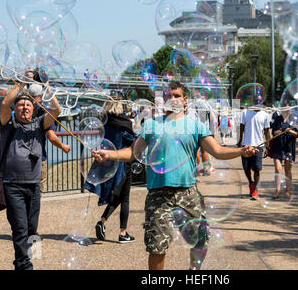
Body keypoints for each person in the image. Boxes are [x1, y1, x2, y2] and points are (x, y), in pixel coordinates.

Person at [92, 81, 258, 270]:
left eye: (177, 95)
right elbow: (132, 153)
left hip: (188, 192)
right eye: (169, 96)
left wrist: (241, 151)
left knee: (201, 239)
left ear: (185, 100)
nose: (173, 99)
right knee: (157, 247)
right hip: (158, 195)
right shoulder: (152, 125)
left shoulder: (196, 126)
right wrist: (110, 154)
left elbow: (218, 151)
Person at [0, 80, 61, 270]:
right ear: (15, 109)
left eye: (28, 104)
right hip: (13, 185)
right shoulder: (8, 124)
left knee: (32, 228)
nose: (24, 107)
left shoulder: (39, 124)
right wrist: (22, 84)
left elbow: (56, 110)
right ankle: (24, 266)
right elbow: (4, 104)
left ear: (34, 108)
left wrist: (46, 89)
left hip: (33, 185)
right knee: (20, 228)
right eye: (20, 105)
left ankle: (21, 260)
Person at [84, 100, 136, 244]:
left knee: (118, 196)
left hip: (108, 163)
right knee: (124, 198)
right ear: (120, 108)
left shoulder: (105, 123)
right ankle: (122, 233)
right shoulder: (125, 124)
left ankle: (103, 221)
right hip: (124, 163)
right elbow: (133, 142)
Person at [27, 80, 71, 193]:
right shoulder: (43, 112)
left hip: (21, 158)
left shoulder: (22, 110)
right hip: (38, 158)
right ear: (41, 96)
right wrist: (63, 146)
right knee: (36, 193)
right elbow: (51, 136)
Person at [237, 103, 271, 200]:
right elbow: (241, 127)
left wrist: (267, 146)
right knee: (246, 168)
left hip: (258, 146)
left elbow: (267, 131)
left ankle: (255, 190)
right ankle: (251, 183)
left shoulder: (265, 114)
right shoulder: (245, 112)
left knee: (256, 169)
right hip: (246, 145)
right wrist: (239, 141)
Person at [270, 102, 298, 199]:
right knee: (278, 169)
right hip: (278, 146)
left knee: (287, 169)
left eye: (287, 107)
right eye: (283, 108)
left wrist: (290, 131)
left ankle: (287, 190)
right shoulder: (278, 118)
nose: (285, 109)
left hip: (288, 147)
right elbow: (273, 131)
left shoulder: (293, 119)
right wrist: (277, 132)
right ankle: (277, 191)